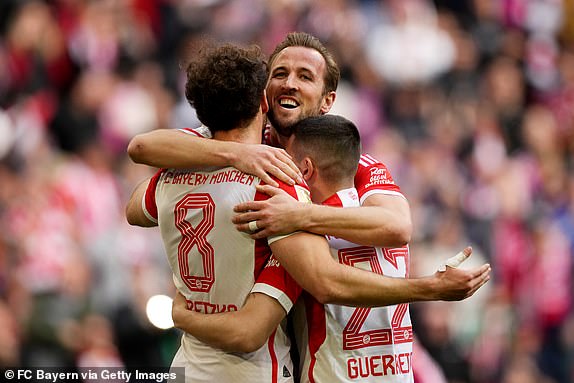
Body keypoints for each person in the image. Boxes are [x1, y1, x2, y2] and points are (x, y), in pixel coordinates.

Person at [169, 114, 486, 382]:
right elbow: (400, 229)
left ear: (305, 169)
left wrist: (182, 316)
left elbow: (253, 329)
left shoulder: (301, 228)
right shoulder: (383, 215)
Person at [127, 31, 411, 250]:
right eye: (280, 74)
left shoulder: (352, 163)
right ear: (265, 91)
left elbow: (398, 227)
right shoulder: (238, 140)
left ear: (327, 101)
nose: (289, 84)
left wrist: (300, 215)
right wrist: (237, 155)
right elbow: (142, 148)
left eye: (305, 76)